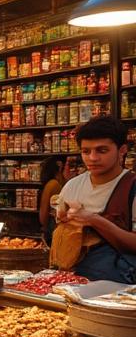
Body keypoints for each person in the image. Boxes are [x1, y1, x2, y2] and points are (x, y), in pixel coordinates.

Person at [54, 116, 136, 282]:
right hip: (73, 279)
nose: (92, 158)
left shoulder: (132, 186)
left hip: (118, 286)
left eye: (102, 150)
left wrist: (93, 220)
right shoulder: (72, 186)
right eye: (86, 151)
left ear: (122, 150)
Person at [39, 155, 67, 241]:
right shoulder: (53, 184)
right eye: (67, 166)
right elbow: (43, 215)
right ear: (60, 167)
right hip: (53, 229)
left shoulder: (55, 183)